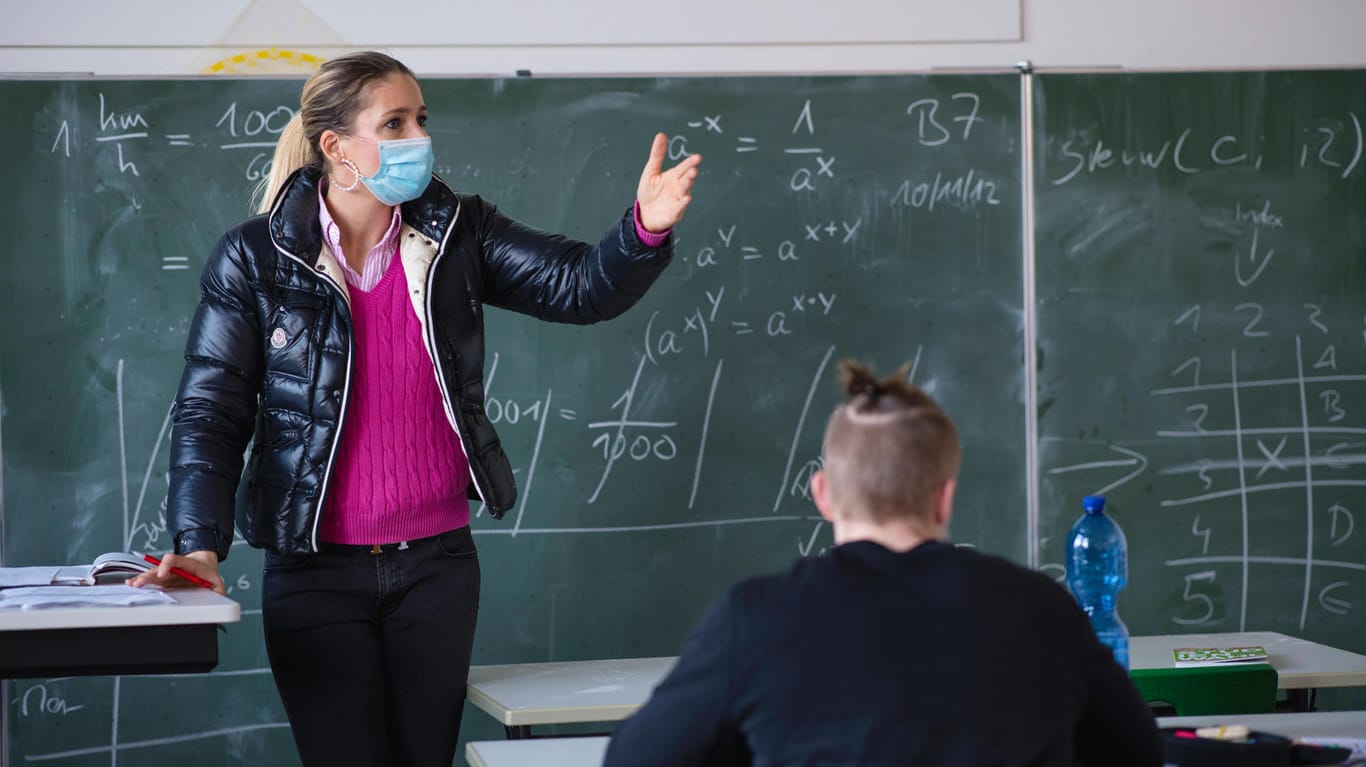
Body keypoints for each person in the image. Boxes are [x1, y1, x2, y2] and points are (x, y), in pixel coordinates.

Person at [129, 50, 700, 766]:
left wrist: (641, 231)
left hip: (438, 569)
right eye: (394, 123)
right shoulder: (255, 259)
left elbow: (579, 286)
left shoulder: (458, 234)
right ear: (335, 147)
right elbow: (210, 410)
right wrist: (198, 541)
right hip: (314, 574)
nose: (416, 138)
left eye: (420, 120)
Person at [603, 361, 1162, 767]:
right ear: (944, 497)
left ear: (823, 494)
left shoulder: (754, 619)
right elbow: (1136, 751)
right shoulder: (1042, 610)